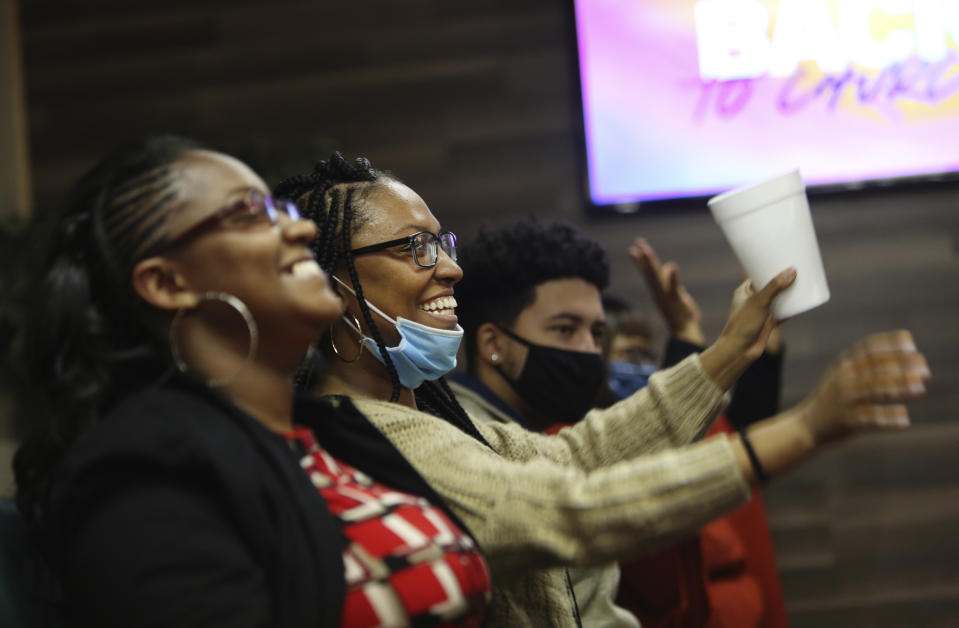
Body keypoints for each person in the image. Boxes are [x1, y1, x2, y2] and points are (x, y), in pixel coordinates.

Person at [275, 153, 930, 627]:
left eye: (439, 243)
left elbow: (574, 458)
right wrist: (807, 427)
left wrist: (731, 348)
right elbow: (570, 510)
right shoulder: (358, 434)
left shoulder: (425, 412)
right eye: (414, 248)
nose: (450, 266)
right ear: (333, 287)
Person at [9, 137, 491, 628]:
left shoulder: (333, 434)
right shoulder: (141, 472)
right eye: (250, 213)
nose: (302, 229)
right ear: (169, 283)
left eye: (281, 210)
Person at [449, 218, 640, 628]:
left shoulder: (543, 432)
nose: (589, 351)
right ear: (493, 344)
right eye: (565, 329)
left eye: (597, 333)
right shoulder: (464, 444)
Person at [606, 237, 789, 628]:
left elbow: (755, 405)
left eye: (645, 354)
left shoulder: (706, 422)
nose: (641, 368)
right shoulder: (603, 453)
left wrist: (762, 309)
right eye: (626, 355)